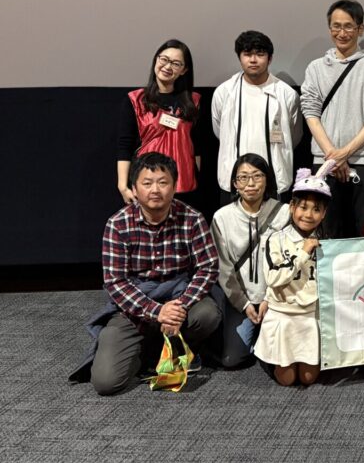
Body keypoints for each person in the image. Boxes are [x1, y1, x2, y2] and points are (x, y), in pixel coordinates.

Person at [89, 152, 221, 395]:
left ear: (175, 186)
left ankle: (179, 349)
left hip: (179, 297)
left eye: (163, 182)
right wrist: (157, 311)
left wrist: (179, 306)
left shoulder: (192, 219)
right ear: (134, 188)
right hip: (135, 307)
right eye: (147, 183)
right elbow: (116, 282)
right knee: (106, 382)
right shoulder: (118, 224)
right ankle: (149, 352)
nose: (155, 190)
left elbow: (208, 267)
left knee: (208, 314)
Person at [301, 0, 364, 237]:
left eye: (348, 26)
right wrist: (333, 155)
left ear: (360, 29)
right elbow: (310, 111)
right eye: (336, 26)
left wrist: (345, 153)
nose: (342, 33)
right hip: (324, 162)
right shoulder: (315, 68)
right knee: (326, 234)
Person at [255, 162, 335, 386]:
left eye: (316, 209)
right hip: (284, 314)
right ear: (292, 207)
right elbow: (273, 278)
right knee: (287, 380)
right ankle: (270, 357)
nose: (308, 214)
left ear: (324, 213)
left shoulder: (327, 242)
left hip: (310, 315)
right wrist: (303, 253)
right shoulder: (275, 239)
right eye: (303, 207)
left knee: (308, 379)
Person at [211, 153, 290, 368]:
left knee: (278, 361)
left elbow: (287, 262)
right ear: (235, 184)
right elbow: (224, 268)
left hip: (275, 297)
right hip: (240, 299)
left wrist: (270, 297)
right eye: (243, 177)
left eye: (257, 176)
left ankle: (263, 334)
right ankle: (253, 333)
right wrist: (244, 304)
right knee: (233, 359)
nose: (251, 183)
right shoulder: (222, 217)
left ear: (267, 180)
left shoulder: (284, 213)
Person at [211, 31, 302, 203]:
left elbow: (293, 136)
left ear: (270, 58)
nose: (253, 60)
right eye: (247, 54)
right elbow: (220, 132)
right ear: (239, 57)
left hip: (274, 182)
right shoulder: (224, 92)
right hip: (234, 183)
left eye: (260, 54)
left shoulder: (287, 94)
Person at [116, 39, 205, 204]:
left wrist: (197, 179)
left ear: (184, 70)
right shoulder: (136, 100)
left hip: (184, 183)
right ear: (156, 60)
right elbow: (125, 145)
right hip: (148, 181)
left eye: (176, 63)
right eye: (164, 59)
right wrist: (123, 185)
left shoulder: (194, 101)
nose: (168, 66)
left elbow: (197, 146)